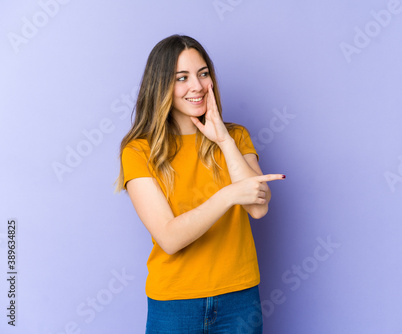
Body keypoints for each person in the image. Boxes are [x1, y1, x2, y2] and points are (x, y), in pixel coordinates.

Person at [115, 35, 285, 333]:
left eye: (203, 73)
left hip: (239, 299)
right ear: (161, 86)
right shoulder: (138, 151)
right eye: (182, 78)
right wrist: (229, 195)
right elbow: (170, 238)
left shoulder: (236, 136)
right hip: (174, 303)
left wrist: (224, 141)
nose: (197, 86)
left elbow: (258, 208)